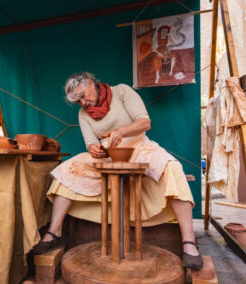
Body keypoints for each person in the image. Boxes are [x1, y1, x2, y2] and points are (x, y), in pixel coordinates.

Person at [33, 72, 203, 269]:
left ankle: (188, 242)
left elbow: (144, 122)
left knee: (172, 167)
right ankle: (55, 233)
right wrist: (93, 149)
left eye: (82, 95)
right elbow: (90, 142)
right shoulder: (83, 114)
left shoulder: (121, 91)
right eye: (78, 100)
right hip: (107, 155)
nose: (82, 102)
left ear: (90, 82)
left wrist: (120, 132)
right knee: (67, 170)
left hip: (139, 147)